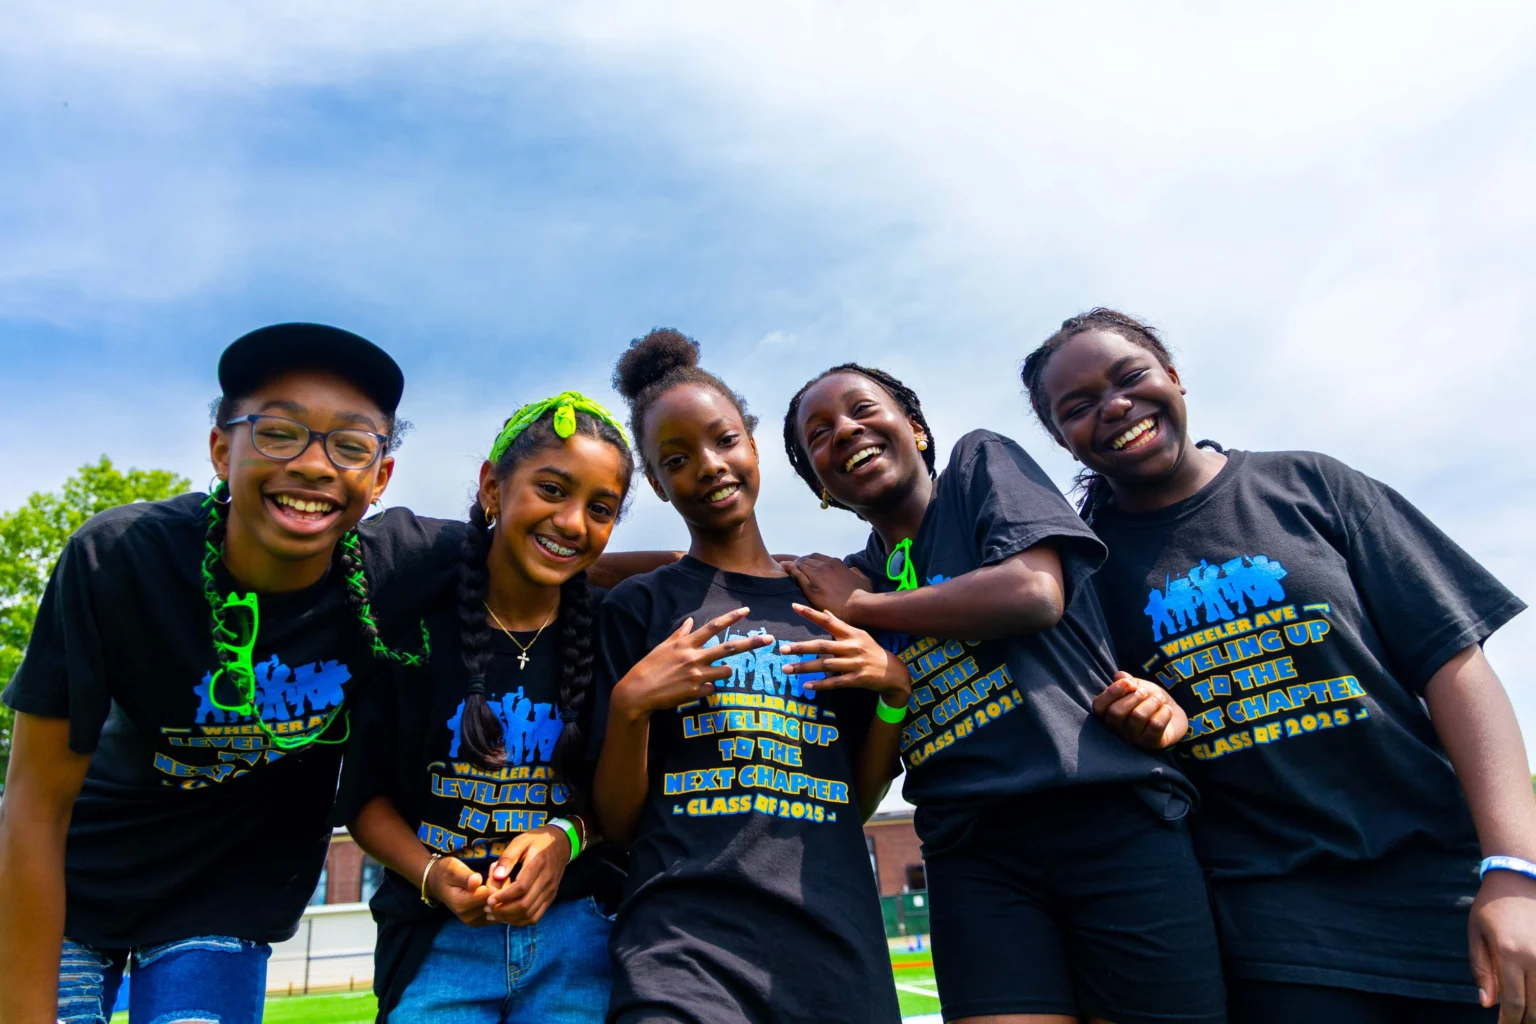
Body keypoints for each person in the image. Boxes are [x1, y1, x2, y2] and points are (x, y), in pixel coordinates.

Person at [1022, 307, 1535, 1024]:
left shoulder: (1310, 485)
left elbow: (1454, 666)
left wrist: (1514, 870)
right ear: (1061, 439)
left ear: (1172, 375)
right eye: (1077, 407)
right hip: (1270, 926)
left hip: (1443, 889)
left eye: (1130, 376)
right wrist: (1146, 719)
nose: (1113, 406)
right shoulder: (1084, 571)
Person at [0, 324, 452, 1024]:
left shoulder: (401, 567)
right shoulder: (117, 559)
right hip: (80, 883)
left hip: (228, 899)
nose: (314, 464)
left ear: (380, 477)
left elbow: (560, 559)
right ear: (221, 449)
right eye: (278, 433)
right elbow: (33, 804)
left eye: (350, 445)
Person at [779, 362, 1227, 1024]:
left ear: (916, 427)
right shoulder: (847, 581)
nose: (845, 430)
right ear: (820, 483)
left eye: (862, 409)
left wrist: (868, 608)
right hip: (972, 852)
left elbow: (1033, 593)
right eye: (819, 434)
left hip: (1106, 818)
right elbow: (718, 570)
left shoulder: (975, 470)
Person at [592, 329, 903, 1024]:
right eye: (677, 459)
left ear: (753, 446)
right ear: (657, 484)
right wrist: (631, 706)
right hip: (681, 951)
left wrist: (893, 693)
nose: (709, 466)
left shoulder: (828, 605)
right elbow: (615, 823)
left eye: (724, 440)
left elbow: (853, 801)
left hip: (834, 948)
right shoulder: (639, 608)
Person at [338, 392, 635, 1023]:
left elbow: (620, 806)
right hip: (436, 943)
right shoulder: (411, 626)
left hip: (580, 937)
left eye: (600, 508)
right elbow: (362, 799)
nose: (572, 522)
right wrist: (429, 873)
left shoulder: (612, 632)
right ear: (492, 488)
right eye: (552, 489)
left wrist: (564, 839)